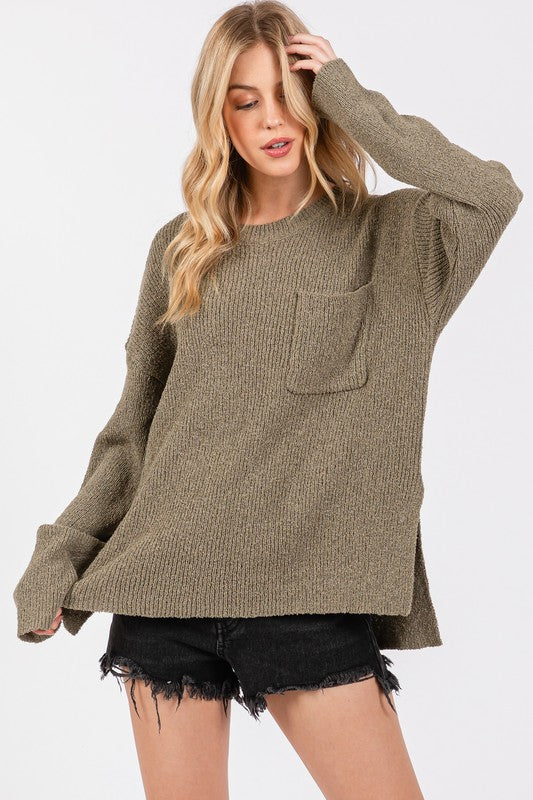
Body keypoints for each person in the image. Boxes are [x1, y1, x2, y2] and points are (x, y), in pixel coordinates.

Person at [13, 2, 522, 798]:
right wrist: (62, 552)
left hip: (306, 596)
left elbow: (491, 195)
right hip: (164, 591)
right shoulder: (182, 249)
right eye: (245, 101)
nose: (272, 119)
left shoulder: (396, 240)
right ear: (218, 116)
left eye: (289, 94)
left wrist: (350, 96)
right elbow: (134, 430)